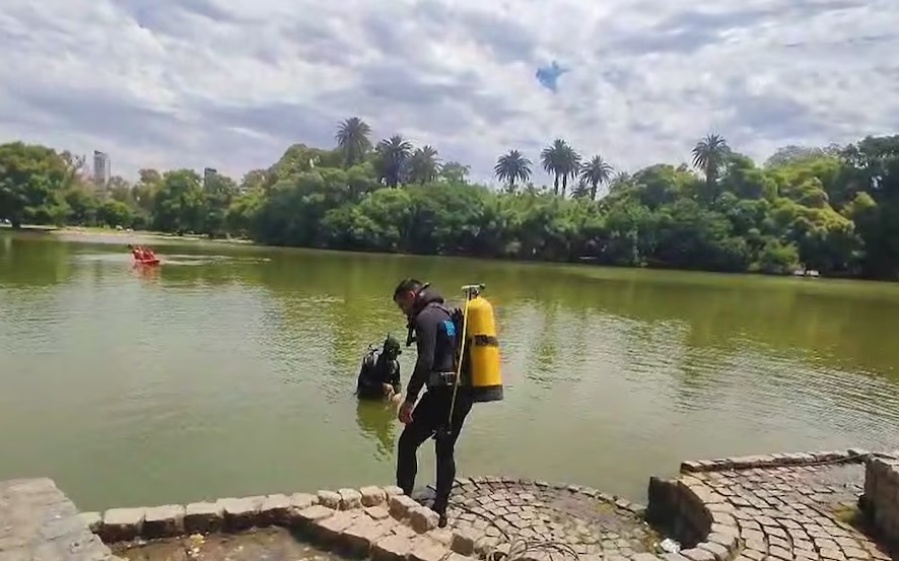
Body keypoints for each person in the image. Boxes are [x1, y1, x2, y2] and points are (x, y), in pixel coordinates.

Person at [392, 278, 474, 528]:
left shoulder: (426, 317)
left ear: (411, 294)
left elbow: (425, 361)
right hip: (463, 393)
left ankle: (403, 499)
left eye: (402, 304)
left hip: (441, 394)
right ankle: (440, 509)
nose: (403, 311)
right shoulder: (446, 313)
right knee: (445, 449)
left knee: (407, 443)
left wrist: (409, 400)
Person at [356, 334, 402, 401]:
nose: (396, 357)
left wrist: (398, 393)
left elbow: (397, 382)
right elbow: (361, 383)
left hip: (382, 398)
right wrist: (382, 386)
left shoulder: (395, 365)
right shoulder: (371, 361)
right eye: (395, 353)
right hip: (366, 398)